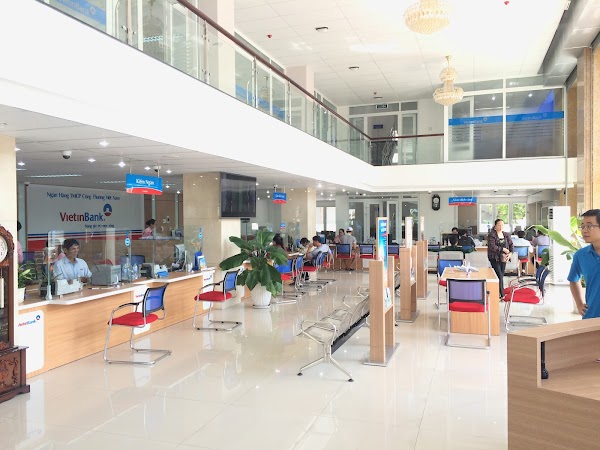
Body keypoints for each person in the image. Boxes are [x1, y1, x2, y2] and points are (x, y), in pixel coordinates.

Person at [569, 209, 600, 318]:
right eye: (582, 227)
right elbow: (573, 279)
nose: (584, 231)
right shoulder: (581, 255)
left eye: (589, 226)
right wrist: (579, 303)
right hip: (591, 316)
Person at [487, 219, 514, 299]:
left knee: (501, 275)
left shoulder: (506, 235)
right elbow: (492, 246)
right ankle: (502, 294)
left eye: (502, 225)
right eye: (499, 225)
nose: (501, 226)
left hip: (504, 258)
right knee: (499, 275)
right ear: (495, 226)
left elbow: (511, 245)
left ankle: (498, 291)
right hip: (494, 258)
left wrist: (510, 253)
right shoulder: (492, 235)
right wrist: (503, 249)